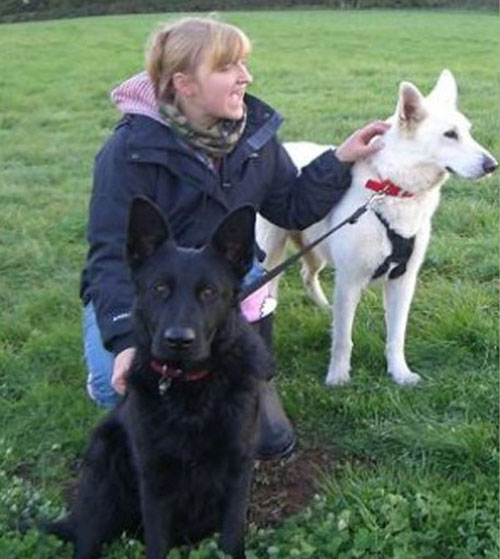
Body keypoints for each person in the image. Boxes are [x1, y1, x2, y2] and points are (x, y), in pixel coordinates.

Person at [80, 16, 388, 460]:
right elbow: (109, 255)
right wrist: (126, 341)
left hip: (223, 285)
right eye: (228, 67)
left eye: (243, 63)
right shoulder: (127, 152)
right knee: (122, 390)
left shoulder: (254, 138)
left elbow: (291, 206)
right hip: (151, 290)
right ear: (184, 84)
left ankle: (240, 377)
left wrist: (339, 160)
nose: (246, 76)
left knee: (266, 442)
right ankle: (109, 364)